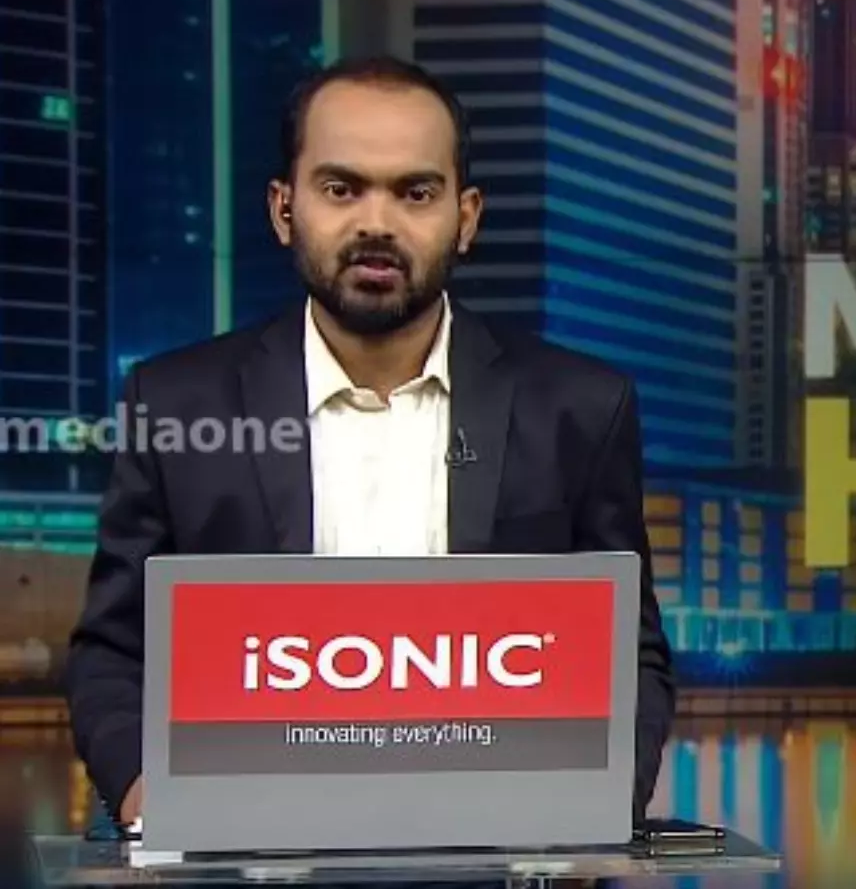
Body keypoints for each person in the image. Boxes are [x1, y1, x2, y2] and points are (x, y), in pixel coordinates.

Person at [63, 55, 675, 827]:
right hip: (248, 859)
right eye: (341, 188)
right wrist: (147, 797)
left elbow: (630, 656)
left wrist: (595, 808)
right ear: (284, 208)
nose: (377, 223)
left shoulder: (581, 409)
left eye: (415, 192)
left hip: (499, 858)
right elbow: (114, 653)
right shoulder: (176, 404)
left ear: (467, 216)